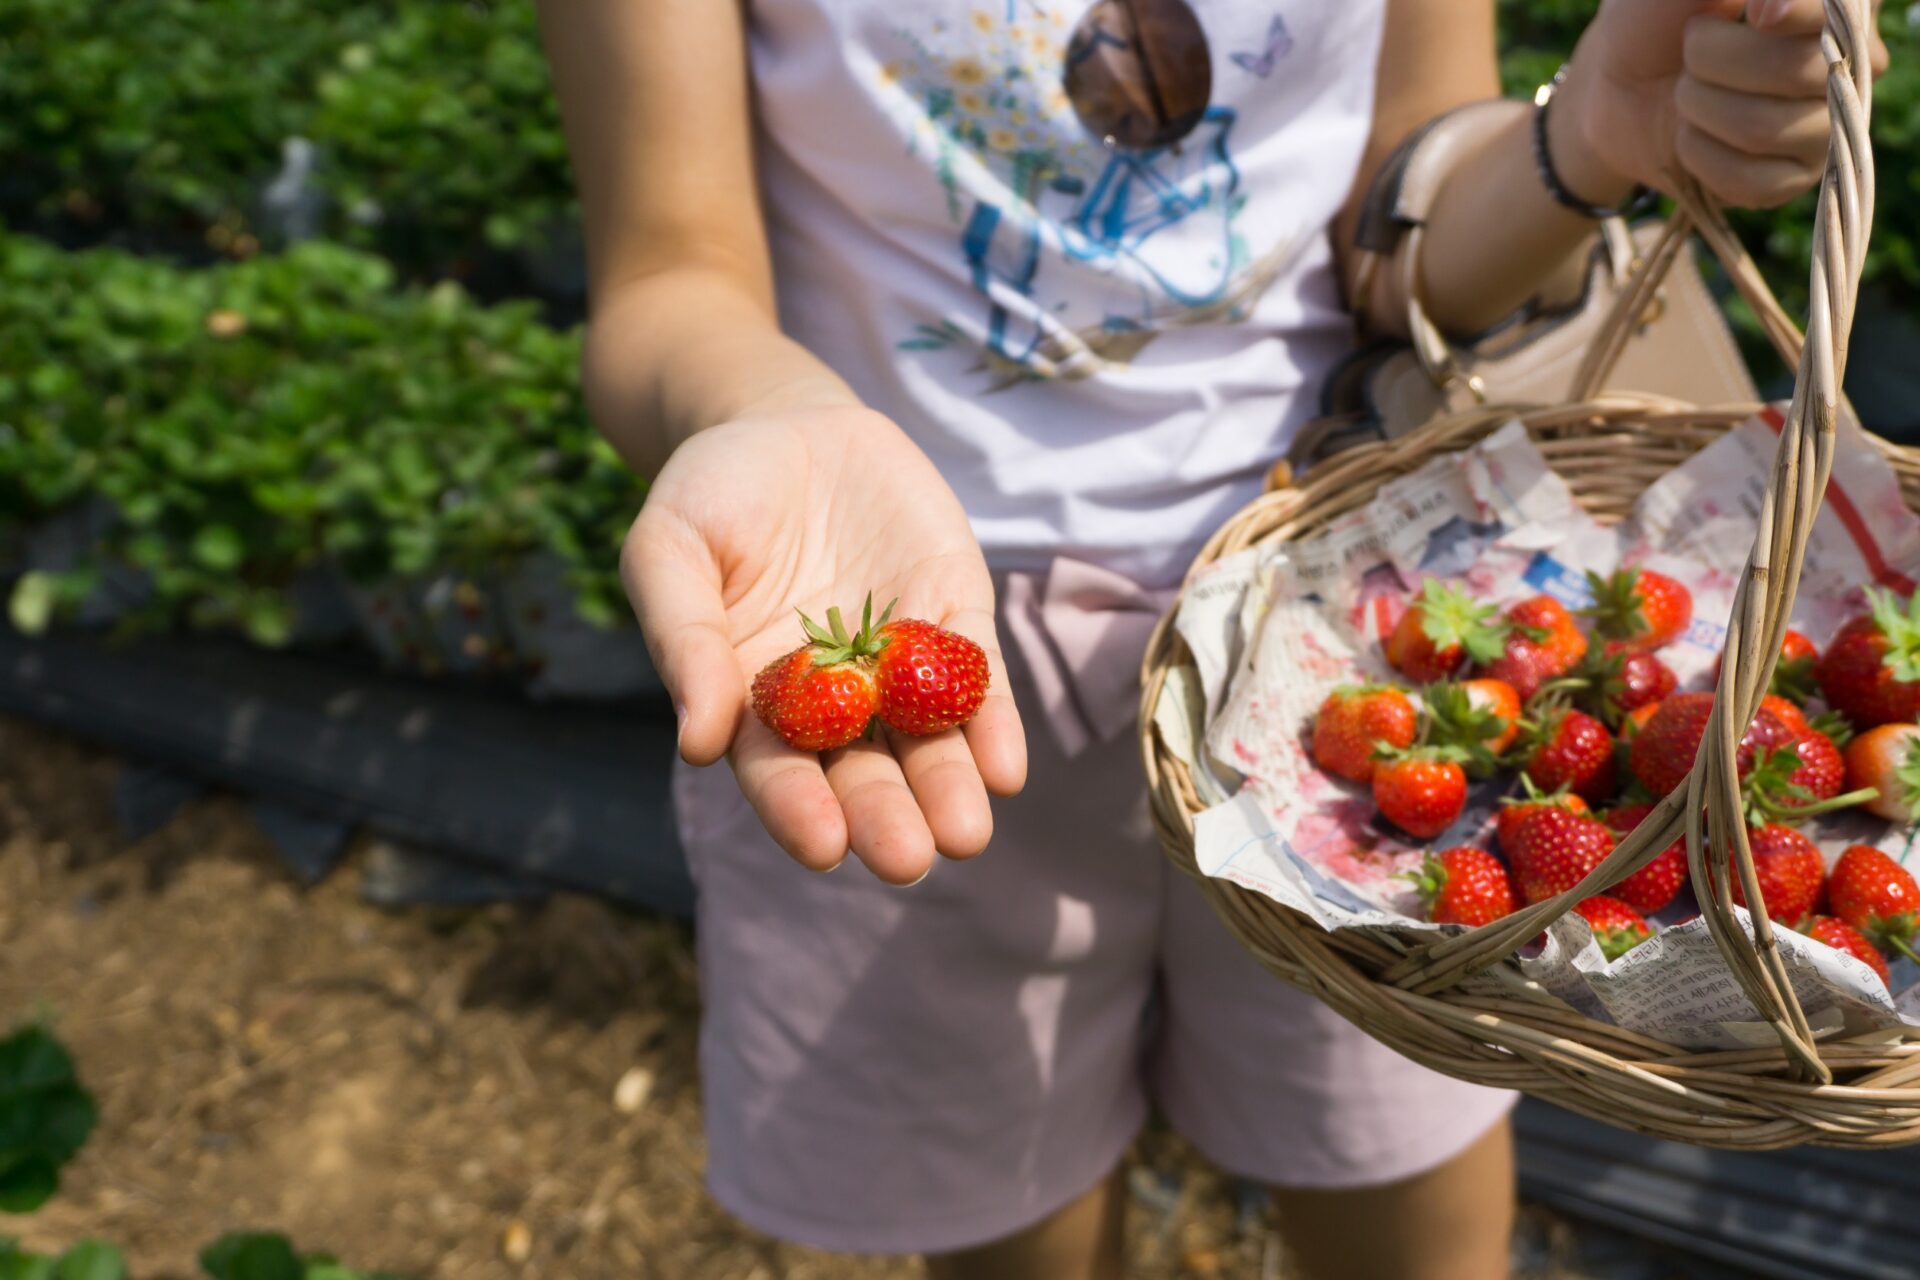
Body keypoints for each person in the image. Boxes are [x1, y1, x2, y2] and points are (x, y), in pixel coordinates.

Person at [534, 2, 1884, 1276]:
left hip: (1340, 660)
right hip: (913, 636)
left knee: (1396, 1184)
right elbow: (668, 275)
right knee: (1015, 1220)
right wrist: (761, 411)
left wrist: (1593, 128)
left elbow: (1401, 232)